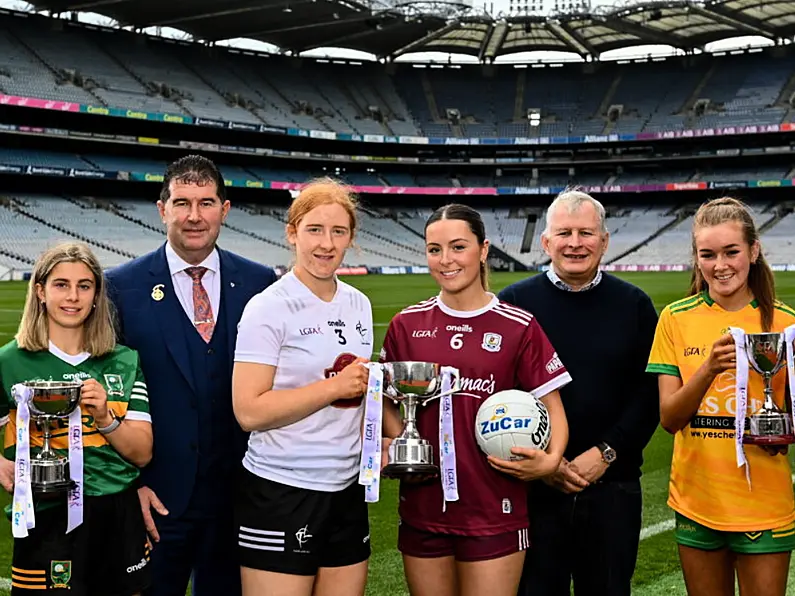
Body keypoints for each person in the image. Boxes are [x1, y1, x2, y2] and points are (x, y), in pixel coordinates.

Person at [105, 155, 278, 596]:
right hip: (156, 500)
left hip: (240, 498)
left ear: (226, 208)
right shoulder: (120, 287)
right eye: (182, 202)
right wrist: (133, 486)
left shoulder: (261, 284)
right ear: (162, 209)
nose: (194, 216)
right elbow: (106, 395)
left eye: (206, 202)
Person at [380, 203, 571, 596]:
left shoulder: (518, 325)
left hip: (495, 510)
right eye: (434, 249)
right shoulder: (406, 324)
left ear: (483, 250)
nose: (445, 260)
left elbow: (553, 409)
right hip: (423, 508)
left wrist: (551, 460)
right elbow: (381, 397)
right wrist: (407, 444)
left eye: (457, 247)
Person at [232, 178, 401, 596]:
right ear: (292, 233)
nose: (326, 244)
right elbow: (249, 411)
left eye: (338, 231)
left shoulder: (358, 303)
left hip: (346, 488)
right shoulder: (267, 307)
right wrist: (334, 388)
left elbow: (358, 393)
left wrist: (382, 436)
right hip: (283, 490)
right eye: (314, 230)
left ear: (351, 238)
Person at [498, 189, 659, 596]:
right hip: (534, 488)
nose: (575, 243)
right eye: (564, 233)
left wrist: (606, 452)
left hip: (613, 486)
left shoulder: (634, 304)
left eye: (586, 233)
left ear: (604, 241)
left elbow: (650, 394)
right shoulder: (514, 303)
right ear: (546, 242)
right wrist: (547, 463)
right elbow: (496, 392)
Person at [646, 197, 795, 596]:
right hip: (697, 501)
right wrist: (709, 369)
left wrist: (781, 432)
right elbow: (669, 418)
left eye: (732, 252)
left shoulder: (786, 324)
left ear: (754, 250)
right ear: (697, 258)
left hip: (764, 502)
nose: (720, 265)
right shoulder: (675, 318)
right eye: (707, 255)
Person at [0, 242, 153, 595]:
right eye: (61, 285)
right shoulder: (10, 361)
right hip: (46, 517)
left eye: (84, 285)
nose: (73, 296)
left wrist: (104, 417)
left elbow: (142, 453)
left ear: (97, 294)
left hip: (117, 516)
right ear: (40, 291)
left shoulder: (123, 361)